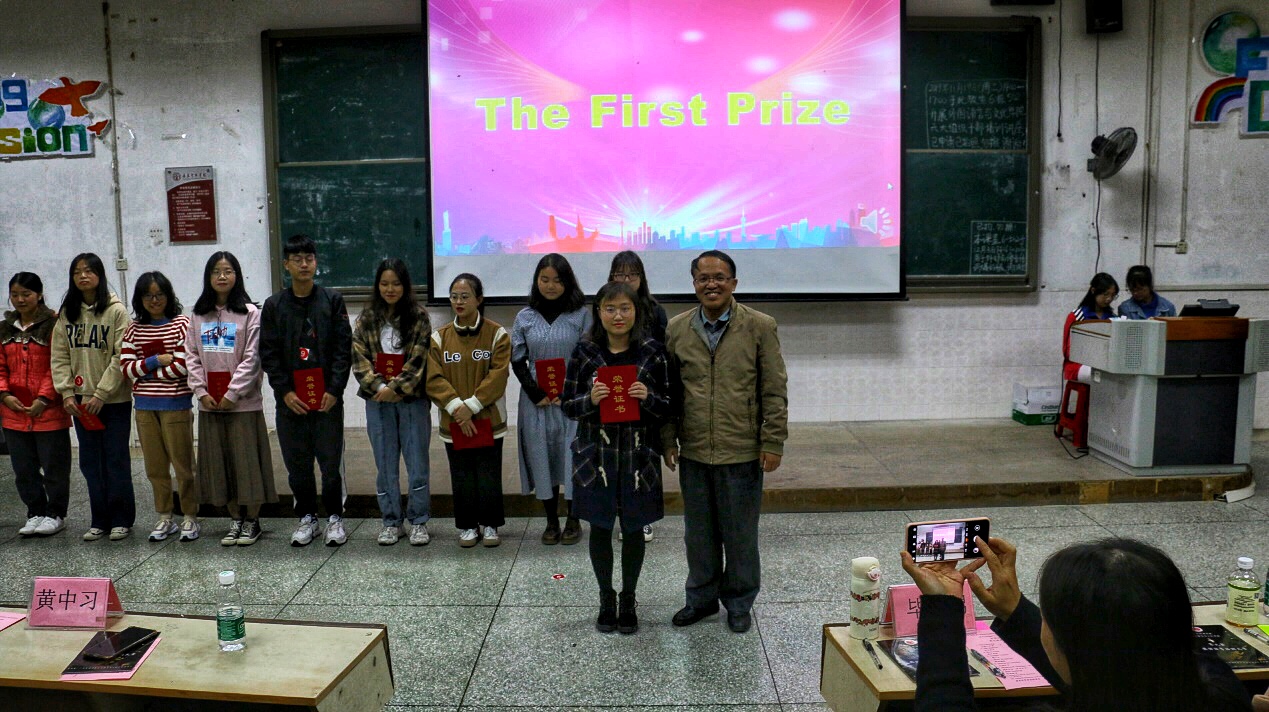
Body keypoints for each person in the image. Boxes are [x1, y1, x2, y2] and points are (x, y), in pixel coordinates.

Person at [900, 536, 1250, 712]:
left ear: (1077, 652)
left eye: (1048, 618)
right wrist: (1016, 610)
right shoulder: (1223, 691)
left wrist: (942, 606)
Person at [663, 250, 788, 633]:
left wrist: (773, 441)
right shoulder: (677, 329)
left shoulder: (759, 326)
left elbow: (774, 388)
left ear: (733, 282)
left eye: (719, 277)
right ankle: (700, 600)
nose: (711, 284)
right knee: (698, 536)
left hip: (742, 449)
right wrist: (668, 439)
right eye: (703, 278)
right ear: (694, 284)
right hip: (695, 450)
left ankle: (738, 602)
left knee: (740, 536)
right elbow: (670, 392)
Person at [562, 281, 671, 633]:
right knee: (600, 526)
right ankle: (606, 598)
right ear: (599, 312)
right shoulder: (585, 351)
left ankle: (628, 598)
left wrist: (647, 397)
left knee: (635, 527)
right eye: (610, 309)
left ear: (637, 311)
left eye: (625, 308)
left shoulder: (653, 351)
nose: (618, 315)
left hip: (638, 456)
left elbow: (670, 405)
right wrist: (590, 400)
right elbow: (568, 405)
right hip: (596, 455)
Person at [260, 235, 353, 547]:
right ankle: (307, 518)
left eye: (309, 258)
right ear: (286, 265)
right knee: (297, 464)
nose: (304, 264)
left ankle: (335, 518)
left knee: (330, 464)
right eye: (297, 259)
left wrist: (335, 390)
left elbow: (343, 349)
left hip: (327, 400)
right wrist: (285, 392)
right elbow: (269, 354)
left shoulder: (332, 300)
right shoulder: (274, 306)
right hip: (291, 402)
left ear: (316, 263)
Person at [186, 251, 277, 546]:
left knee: (246, 463)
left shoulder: (250, 313)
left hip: (242, 404)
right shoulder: (197, 315)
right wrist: (201, 392)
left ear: (237, 276)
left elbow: (253, 358)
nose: (222, 276)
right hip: (210, 404)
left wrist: (232, 392)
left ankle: (252, 521)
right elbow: (191, 356)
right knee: (219, 464)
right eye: (216, 271)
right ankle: (235, 518)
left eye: (227, 271)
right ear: (208, 277)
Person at [50, 253, 134, 541]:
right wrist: (66, 392)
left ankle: (121, 519)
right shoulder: (68, 312)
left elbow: (121, 355)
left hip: (114, 401)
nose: (83, 276)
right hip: (80, 402)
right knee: (90, 462)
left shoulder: (116, 311)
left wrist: (101, 393)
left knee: (115, 460)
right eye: (77, 272)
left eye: (88, 270)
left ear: (99, 274)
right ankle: (100, 519)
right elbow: (59, 355)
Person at [351, 258, 434, 546]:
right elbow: (359, 359)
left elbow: (420, 358)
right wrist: (381, 387)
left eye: (396, 284)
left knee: (417, 462)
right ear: (377, 286)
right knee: (385, 464)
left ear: (405, 286)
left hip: (412, 400)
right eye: (384, 284)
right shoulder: (366, 319)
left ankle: (419, 521)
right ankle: (391, 521)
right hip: (377, 401)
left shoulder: (419, 317)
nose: (390, 289)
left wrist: (395, 388)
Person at [426, 273, 510, 548]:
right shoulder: (439, 337)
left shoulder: (497, 334)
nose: (459, 302)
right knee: (462, 474)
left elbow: (498, 375)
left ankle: (491, 524)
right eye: (454, 297)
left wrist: (471, 406)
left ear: (479, 299)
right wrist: (456, 409)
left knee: (488, 474)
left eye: (465, 296)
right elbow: (434, 379)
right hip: (454, 421)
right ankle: (467, 526)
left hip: (488, 419)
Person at [511, 253, 590, 545]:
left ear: (567, 282)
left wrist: (569, 392)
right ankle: (551, 520)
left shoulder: (581, 314)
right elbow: (517, 359)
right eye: (544, 279)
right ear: (536, 282)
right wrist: (536, 392)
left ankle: (573, 519)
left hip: (572, 397)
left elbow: (588, 357)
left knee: (573, 455)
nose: (550, 285)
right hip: (537, 401)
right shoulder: (524, 316)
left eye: (557, 280)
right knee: (541, 455)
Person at [121, 272, 199, 543]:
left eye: (159, 295)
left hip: (176, 405)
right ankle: (165, 516)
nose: (154, 300)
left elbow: (182, 366)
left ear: (169, 296)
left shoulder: (182, 324)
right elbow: (126, 368)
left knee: (183, 465)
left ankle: (190, 515)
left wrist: (145, 372)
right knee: (155, 467)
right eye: (148, 296)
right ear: (139, 299)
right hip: (144, 407)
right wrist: (155, 361)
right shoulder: (133, 328)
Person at [0, 273, 73, 537]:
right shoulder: (5, 328)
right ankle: (35, 512)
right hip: (13, 412)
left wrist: (43, 398)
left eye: (26, 294)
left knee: (54, 468)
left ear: (39, 294)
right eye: (15, 295)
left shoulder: (54, 325)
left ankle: (55, 514)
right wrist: (4, 394)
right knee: (23, 469)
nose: (20, 300)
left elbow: (59, 364)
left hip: (49, 410)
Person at [608, 250, 668, 543]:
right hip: (615, 392)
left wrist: (650, 390)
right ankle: (622, 516)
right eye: (620, 274)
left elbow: (663, 355)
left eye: (632, 274)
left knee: (645, 458)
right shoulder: (606, 307)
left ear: (641, 278)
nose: (626, 279)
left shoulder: (655, 311)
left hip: (645, 394)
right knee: (618, 461)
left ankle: (643, 518)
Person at [1061, 273, 1118, 383]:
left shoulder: (1113, 319)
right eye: (1106, 294)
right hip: (1078, 365)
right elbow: (1068, 351)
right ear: (1093, 291)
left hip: (1104, 364)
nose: (1109, 299)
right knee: (1102, 376)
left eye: (1113, 295)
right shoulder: (1076, 316)